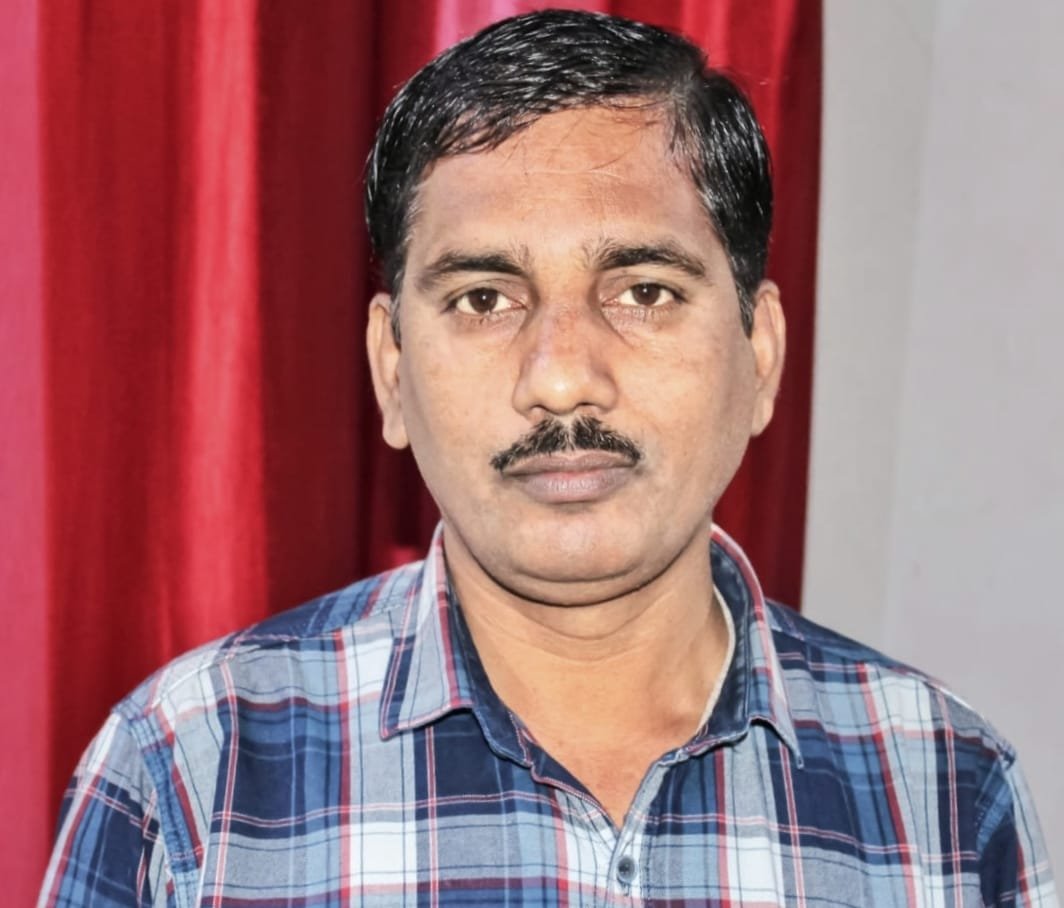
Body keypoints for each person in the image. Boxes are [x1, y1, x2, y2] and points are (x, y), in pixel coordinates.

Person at [39, 10, 1056, 907]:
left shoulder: (942, 789)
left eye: (644, 292)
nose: (562, 378)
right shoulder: (191, 778)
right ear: (392, 369)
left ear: (759, 356)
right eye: (484, 299)